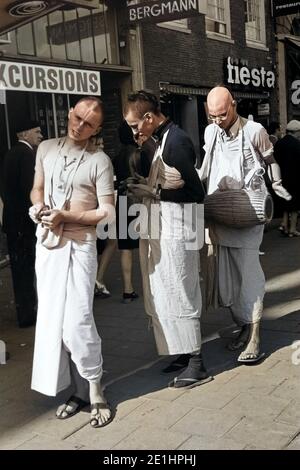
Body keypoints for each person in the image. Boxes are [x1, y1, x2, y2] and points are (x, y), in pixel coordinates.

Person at [29, 97, 115, 428]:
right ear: (70, 113)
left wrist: (68, 215)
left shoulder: (100, 160)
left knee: (78, 321)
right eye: (77, 117)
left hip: (81, 245)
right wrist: (39, 208)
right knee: (54, 323)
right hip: (49, 245)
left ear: (96, 128)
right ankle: (78, 391)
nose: (79, 126)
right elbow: (36, 189)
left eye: (88, 123)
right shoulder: (47, 149)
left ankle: (96, 390)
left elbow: (107, 212)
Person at [124, 90, 212, 389]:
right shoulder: (163, 139)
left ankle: (197, 363)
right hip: (166, 228)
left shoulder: (176, 141)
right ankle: (183, 350)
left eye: (136, 125)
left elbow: (196, 193)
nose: (135, 131)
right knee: (166, 292)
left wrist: (155, 193)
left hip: (178, 232)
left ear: (149, 118)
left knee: (182, 290)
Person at [200, 86, 291, 364]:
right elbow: (205, 167)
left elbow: (270, 160)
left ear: (234, 105)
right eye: (212, 115)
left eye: (222, 114)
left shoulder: (254, 131)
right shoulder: (210, 132)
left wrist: (277, 184)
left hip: (248, 212)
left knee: (248, 274)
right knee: (228, 280)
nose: (217, 120)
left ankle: (255, 336)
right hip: (219, 213)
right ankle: (243, 325)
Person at [2, 121, 43, 327]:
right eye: (36, 131)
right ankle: (28, 314)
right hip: (23, 223)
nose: (40, 135)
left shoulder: (10, 153)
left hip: (12, 221)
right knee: (26, 268)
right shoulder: (26, 155)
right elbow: (30, 189)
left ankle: (25, 311)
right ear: (25, 133)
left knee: (20, 269)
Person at [274, 119, 300, 237]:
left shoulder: (279, 143)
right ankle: (292, 229)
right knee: (295, 205)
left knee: (285, 202)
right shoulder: (297, 144)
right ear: (296, 131)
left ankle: (284, 224)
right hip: (295, 178)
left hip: (281, 177)